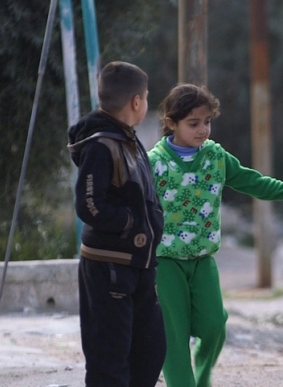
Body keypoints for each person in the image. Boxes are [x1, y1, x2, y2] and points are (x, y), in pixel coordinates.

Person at [148, 83, 283, 387]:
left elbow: (253, 182)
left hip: (203, 258)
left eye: (207, 122)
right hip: (165, 263)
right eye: (193, 124)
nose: (203, 130)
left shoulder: (215, 157)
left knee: (214, 326)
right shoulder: (152, 164)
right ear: (172, 123)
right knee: (173, 333)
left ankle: (203, 376)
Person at [66, 61, 166, 387]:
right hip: (109, 267)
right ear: (137, 101)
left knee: (150, 350)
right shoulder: (101, 145)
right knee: (109, 361)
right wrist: (130, 225)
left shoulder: (128, 140)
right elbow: (89, 204)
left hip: (138, 267)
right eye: (147, 97)